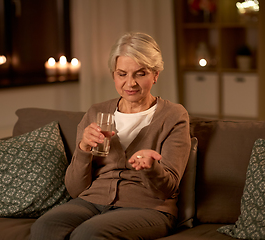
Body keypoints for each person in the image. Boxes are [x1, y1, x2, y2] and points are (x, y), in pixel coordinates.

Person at [30, 32, 191, 240]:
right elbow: (74, 190)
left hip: (148, 207)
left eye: (140, 74)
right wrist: (83, 149)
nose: (130, 83)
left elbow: (166, 190)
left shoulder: (173, 115)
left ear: (155, 74)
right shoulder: (96, 113)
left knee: (88, 234)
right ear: (113, 74)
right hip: (91, 202)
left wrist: (152, 168)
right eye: (122, 74)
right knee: (44, 228)